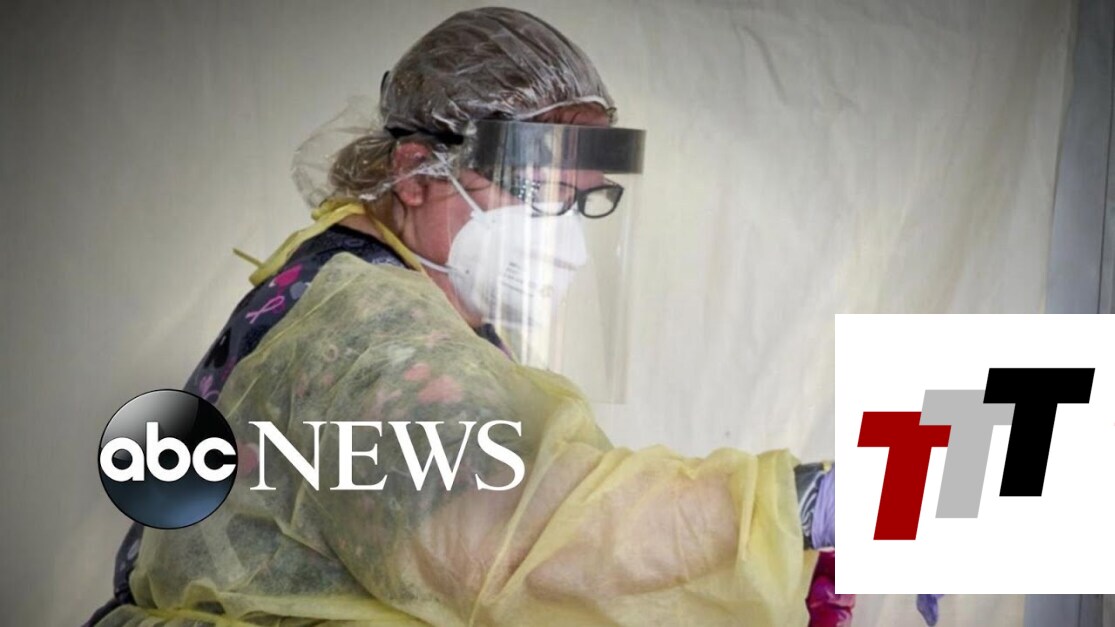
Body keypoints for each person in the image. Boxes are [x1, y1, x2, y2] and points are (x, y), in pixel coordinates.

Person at [87, 7, 840, 626]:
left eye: (582, 201)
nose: (565, 237)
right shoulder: (368, 333)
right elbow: (525, 539)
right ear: (417, 171)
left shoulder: (377, 282)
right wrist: (789, 509)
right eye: (538, 191)